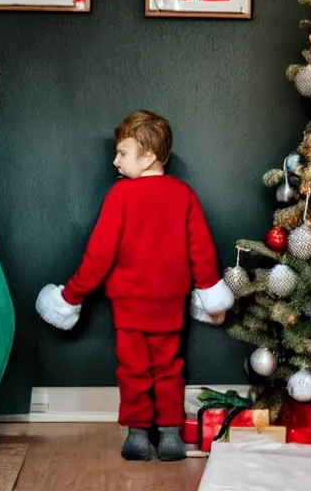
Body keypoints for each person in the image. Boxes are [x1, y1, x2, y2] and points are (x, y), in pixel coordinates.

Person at [35, 110, 234, 461]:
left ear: (148, 156)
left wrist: (70, 297)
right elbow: (202, 250)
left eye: (122, 153)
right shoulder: (183, 195)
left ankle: (138, 436)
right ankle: (171, 435)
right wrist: (212, 299)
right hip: (170, 305)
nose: (115, 160)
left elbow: (98, 255)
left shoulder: (121, 196)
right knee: (170, 368)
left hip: (128, 306)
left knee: (133, 371)